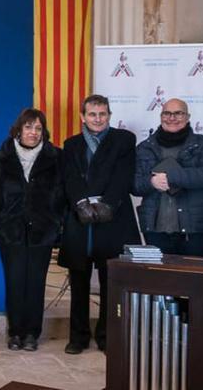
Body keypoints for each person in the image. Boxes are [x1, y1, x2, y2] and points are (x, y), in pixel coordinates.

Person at [60, 94, 139, 354]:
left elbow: (123, 175)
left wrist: (108, 205)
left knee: (111, 283)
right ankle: (78, 337)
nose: (97, 119)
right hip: (81, 220)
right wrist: (80, 203)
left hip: (113, 218)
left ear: (109, 116)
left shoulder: (124, 140)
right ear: (83, 116)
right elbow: (70, 178)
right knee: (79, 281)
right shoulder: (70, 144)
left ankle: (106, 336)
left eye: (102, 114)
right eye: (92, 114)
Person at [0, 109, 64, 352]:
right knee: (14, 283)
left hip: (42, 232)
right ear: (18, 130)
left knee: (36, 284)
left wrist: (56, 223)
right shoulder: (1, 157)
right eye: (28, 127)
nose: (33, 133)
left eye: (37, 128)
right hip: (10, 232)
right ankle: (15, 333)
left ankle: (32, 333)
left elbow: (61, 196)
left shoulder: (55, 157)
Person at [134, 98, 203, 256]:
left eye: (178, 113)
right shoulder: (144, 147)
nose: (172, 118)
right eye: (167, 113)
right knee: (161, 280)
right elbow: (134, 184)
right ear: (161, 116)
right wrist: (151, 182)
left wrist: (172, 176)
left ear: (188, 117)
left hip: (194, 231)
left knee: (193, 279)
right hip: (155, 230)